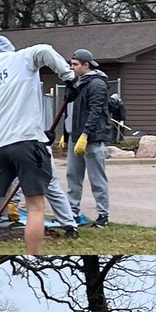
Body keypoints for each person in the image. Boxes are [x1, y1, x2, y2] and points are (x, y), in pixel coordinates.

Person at [0, 34, 77, 256]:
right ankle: (33, 257)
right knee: (35, 207)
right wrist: (69, 77)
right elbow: (45, 50)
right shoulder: (22, 58)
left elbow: (5, 114)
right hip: (27, 142)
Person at [65, 49, 112, 229]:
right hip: (74, 136)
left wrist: (85, 134)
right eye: (71, 64)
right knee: (73, 176)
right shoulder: (77, 83)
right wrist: (66, 133)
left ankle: (103, 215)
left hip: (91, 138)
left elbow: (96, 111)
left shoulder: (97, 84)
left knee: (96, 178)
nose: (72, 67)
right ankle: (72, 212)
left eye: (75, 64)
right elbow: (69, 108)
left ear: (86, 65)